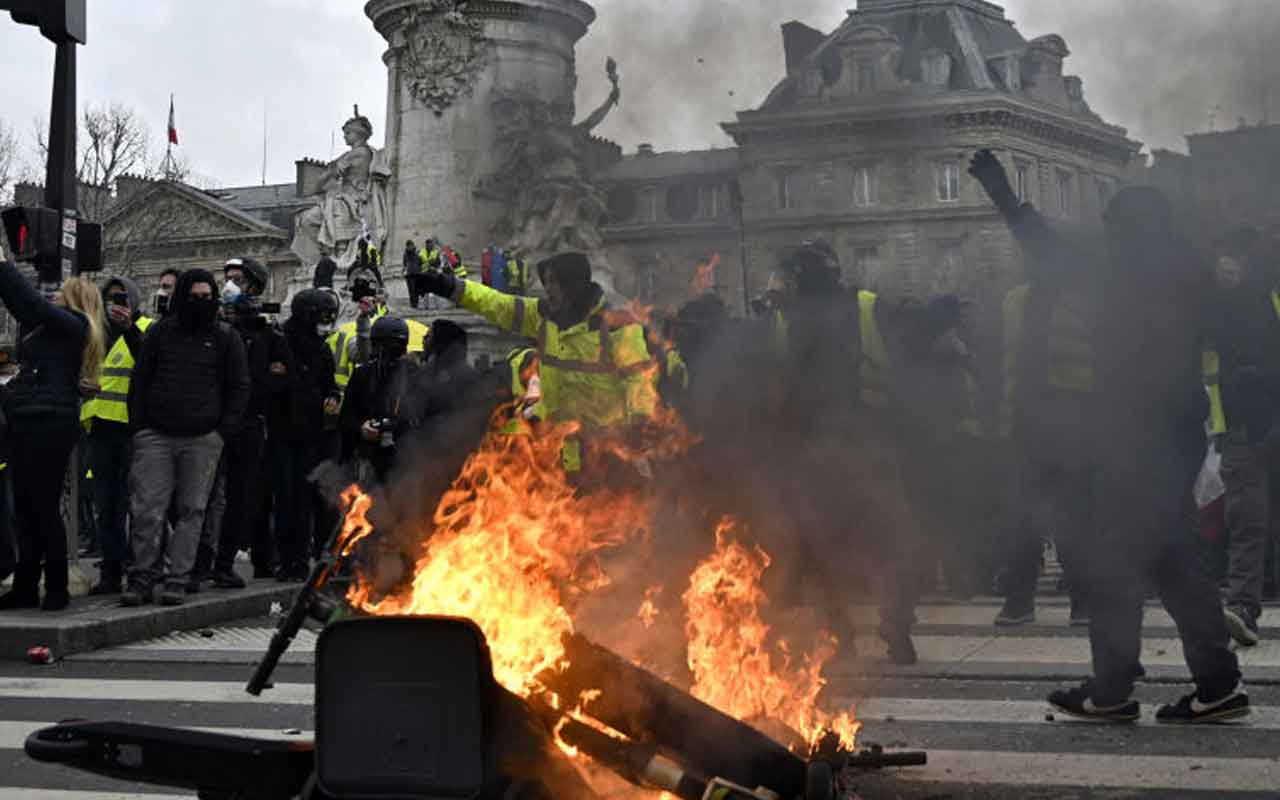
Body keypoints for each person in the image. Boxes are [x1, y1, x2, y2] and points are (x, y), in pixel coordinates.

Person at [971, 148, 1247, 724]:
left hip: (1129, 441)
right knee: (1175, 561)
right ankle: (1216, 683)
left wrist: (1001, 193)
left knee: (1112, 565)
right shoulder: (1192, 275)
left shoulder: (1114, 272)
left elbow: (1042, 243)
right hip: (1177, 437)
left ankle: (1112, 690)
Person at [416, 251, 659, 481]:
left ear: (574, 285)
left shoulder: (618, 326)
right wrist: (446, 286)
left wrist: (637, 430)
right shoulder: (543, 317)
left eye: (553, 282)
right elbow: (497, 304)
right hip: (555, 450)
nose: (547, 289)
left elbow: (639, 381)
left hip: (605, 452)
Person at [123, 269, 250, 607]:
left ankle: (178, 577)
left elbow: (239, 387)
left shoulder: (226, 338)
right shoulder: (162, 333)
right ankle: (143, 576)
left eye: (206, 297)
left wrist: (222, 431)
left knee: (192, 511)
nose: (200, 303)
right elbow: (141, 378)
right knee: (148, 509)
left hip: (203, 437)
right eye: (194, 296)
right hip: (156, 435)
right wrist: (139, 425)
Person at [0, 259, 106, 611]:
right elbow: (21, 306)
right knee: (28, 508)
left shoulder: (73, 325)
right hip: (31, 418)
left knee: (43, 506)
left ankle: (56, 586)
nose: (56, 295)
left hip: (49, 421)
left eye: (62, 292)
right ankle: (27, 585)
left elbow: (31, 305)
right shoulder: (54, 329)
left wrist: (4, 267)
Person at [992, 274, 1094, 627]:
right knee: (1053, 518)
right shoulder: (1082, 296)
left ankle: (1023, 602)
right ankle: (1075, 602)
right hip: (1053, 423)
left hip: (1049, 424)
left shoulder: (1014, 301)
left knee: (1043, 518)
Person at [1202, 225, 1280, 647]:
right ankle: (1244, 607)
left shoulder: (1264, 300)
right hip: (1241, 429)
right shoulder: (1216, 309)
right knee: (1248, 521)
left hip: (1252, 425)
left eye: (1234, 255)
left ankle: (1245, 605)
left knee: (1248, 521)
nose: (1227, 264)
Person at [202, 258, 291, 588]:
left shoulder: (266, 332)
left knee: (241, 497)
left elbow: (282, 377)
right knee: (204, 497)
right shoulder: (212, 327)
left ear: (254, 286)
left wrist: (257, 384)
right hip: (211, 421)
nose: (229, 286)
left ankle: (224, 564)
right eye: (227, 280)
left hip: (249, 424)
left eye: (237, 280)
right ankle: (200, 563)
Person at [80, 276, 154, 595]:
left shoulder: (147, 328)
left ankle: (142, 570)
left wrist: (130, 328)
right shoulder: (96, 334)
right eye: (108, 298)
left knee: (139, 507)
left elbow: (151, 364)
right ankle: (111, 571)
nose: (115, 304)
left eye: (121, 297)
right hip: (99, 429)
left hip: (134, 430)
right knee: (106, 506)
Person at [274, 289, 341, 579]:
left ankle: (300, 560)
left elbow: (330, 386)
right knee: (285, 497)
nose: (325, 323)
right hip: (282, 432)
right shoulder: (279, 342)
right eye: (322, 316)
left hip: (312, 434)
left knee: (304, 499)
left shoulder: (321, 348)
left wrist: (332, 399)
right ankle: (284, 559)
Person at [340, 316, 420, 484]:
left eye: (395, 346)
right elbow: (346, 417)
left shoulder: (414, 375)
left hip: (403, 457)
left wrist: (393, 427)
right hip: (367, 455)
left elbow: (419, 416)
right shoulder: (363, 374)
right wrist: (362, 429)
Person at [403, 240, 423, 309]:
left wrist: (420, 270)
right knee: (411, 290)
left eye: (411, 245)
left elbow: (420, 262)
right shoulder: (406, 253)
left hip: (416, 274)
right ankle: (413, 304)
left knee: (416, 290)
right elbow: (404, 263)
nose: (410, 247)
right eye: (408, 246)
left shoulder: (417, 253)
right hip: (409, 274)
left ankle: (415, 304)